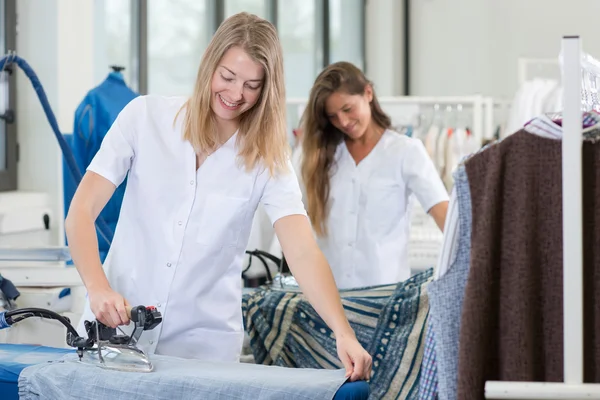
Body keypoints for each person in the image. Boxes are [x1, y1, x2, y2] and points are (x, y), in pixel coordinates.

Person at [65, 13, 371, 381]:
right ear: (209, 62)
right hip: (113, 336)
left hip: (202, 352)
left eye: (252, 85)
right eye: (227, 77)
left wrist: (343, 331)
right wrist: (98, 288)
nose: (236, 94)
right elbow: (81, 211)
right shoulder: (144, 118)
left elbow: (302, 251)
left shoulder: (268, 159)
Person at [299, 61, 449, 289]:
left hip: (386, 300)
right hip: (329, 300)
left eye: (348, 109)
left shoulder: (406, 152)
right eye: (333, 116)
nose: (343, 122)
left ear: (368, 93)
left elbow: (446, 218)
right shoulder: (318, 157)